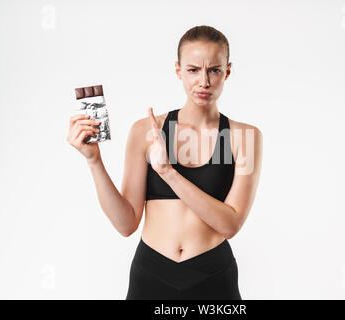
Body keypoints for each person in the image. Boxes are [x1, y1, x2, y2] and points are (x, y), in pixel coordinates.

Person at [66, 25, 263, 300]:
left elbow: (230, 225)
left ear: (227, 71)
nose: (204, 82)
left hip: (213, 275)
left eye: (214, 70)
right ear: (178, 70)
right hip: (151, 273)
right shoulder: (144, 130)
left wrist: (168, 173)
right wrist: (94, 160)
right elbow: (125, 225)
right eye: (193, 70)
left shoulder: (246, 137)